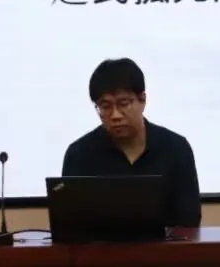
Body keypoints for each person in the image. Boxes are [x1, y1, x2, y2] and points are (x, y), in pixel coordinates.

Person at [61, 58, 202, 227]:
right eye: (105, 106)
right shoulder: (79, 154)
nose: (115, 115)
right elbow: (69, 224)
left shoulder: (176, 148)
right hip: (100, 244)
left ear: (142, 100)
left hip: (164, 244)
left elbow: (189, 220)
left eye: (124, 104)